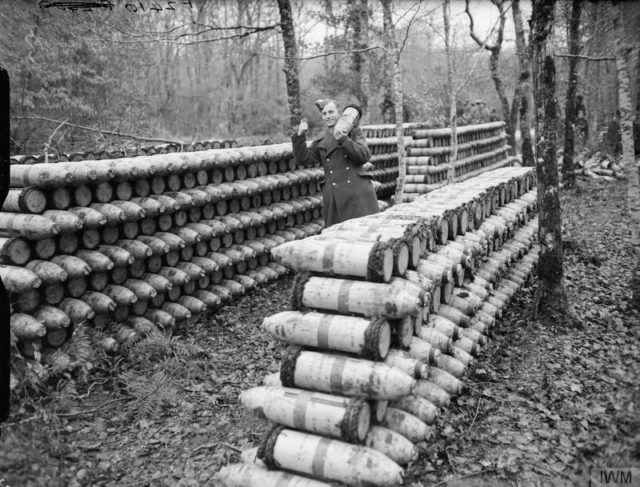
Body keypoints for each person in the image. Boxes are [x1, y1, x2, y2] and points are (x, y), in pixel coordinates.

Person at [291, 99, 379, 228]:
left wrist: (344, 139)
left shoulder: (354, 132)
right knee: (338, 239)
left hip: (357, 194)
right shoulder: (321, 141)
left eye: (331, 112)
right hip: (334, 197)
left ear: (339, 114)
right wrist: (300, 136)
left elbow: (364, 155)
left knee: (364, 236)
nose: (328, 116)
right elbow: (303, 159)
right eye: (325, 113)